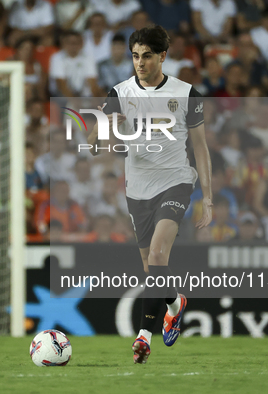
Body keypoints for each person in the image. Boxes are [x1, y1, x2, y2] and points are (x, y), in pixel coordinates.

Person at [87, 25, 212, 360]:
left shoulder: (186, 94)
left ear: (162, 57)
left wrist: (209, 198)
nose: (139, 63)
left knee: (158, 257)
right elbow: (103, 140)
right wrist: (100, 137)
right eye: (135, 56)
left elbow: (200, 149)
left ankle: (143, 337)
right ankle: (175, 301)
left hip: (176, 182)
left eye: (146, 56)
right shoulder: (119, 92)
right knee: (150, 267)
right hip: (137, 188)